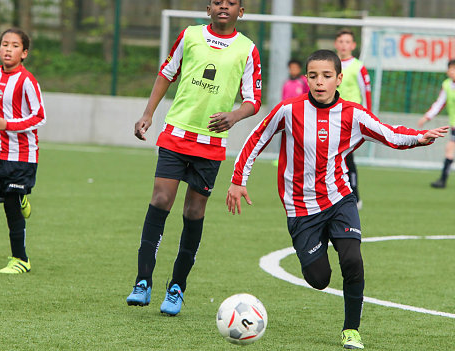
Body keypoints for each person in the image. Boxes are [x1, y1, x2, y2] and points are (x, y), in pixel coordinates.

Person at [226, 50, 448, 350]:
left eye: (327, 76)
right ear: (306, 78)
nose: (319, 82)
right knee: (319, 278)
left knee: (353, 260)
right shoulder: (289, 110)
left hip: (339, 198)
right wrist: (238, 180)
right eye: (313, 76)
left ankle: (351, 330)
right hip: (301, 207)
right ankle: (317, 254)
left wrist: (419, 137)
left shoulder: (353, 114)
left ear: (339, 78)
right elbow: (256, 138)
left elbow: (389, 134)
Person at [126, 0, 262, 316]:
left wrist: (233, 116)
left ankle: (176, 287)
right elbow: (166, 73)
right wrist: (148, 114)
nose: (223, 7)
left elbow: (252, 100)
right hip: (175, 133)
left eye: (231, 3)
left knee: (193, 210)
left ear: (241, 11)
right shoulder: (189, 36)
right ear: (208, 9)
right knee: (160, 199)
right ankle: (142, 282)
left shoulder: (247, 49)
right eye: (217, 2)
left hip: (211, 143)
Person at [0, 28, 46, 274]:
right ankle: (14, 195)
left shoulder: (28, 81)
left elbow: (40, 116)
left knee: (12, 209)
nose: (8, 49)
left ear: (24, 53)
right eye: (5, 44)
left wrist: (10, 125)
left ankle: (21, 260)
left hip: (22, 156)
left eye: (15, 46)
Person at [334, 28, 372, 209]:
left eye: (347, 42)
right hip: (330, 116)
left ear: (353, 45)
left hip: (349, 118)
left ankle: (355, 196)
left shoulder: (358, 67)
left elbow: (366, 93)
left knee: (346, 156)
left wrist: (368, 119)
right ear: (336, 44)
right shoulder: (329, 64)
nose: (344, 45)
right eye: (341, 41)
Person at [417, 59, 455, 188]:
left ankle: (443, 180)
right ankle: (443, 180)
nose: (453, 72)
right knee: (449, 149)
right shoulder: (447, 85)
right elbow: (439, 104)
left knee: (449, 149)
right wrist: (426, 117)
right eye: (451, 69)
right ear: (447, 71)